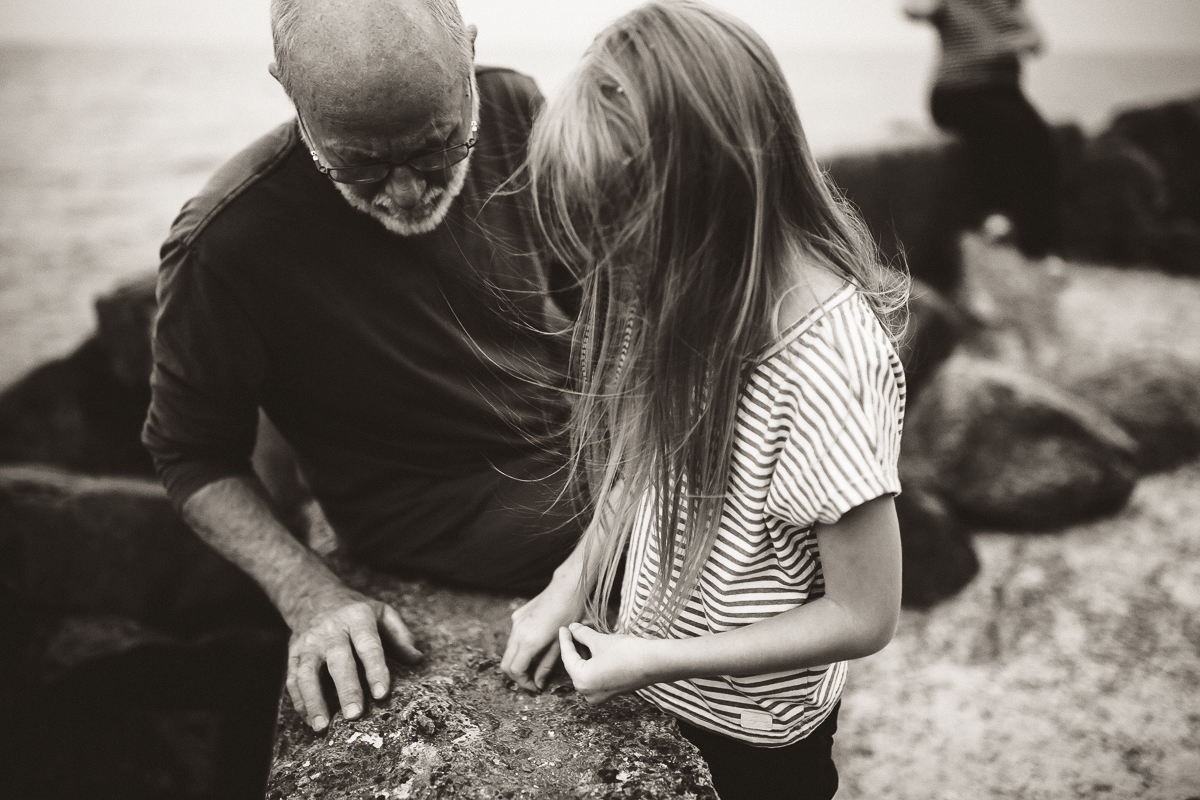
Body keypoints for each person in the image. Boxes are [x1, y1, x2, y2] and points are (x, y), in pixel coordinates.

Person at [142, 0, 583, 740]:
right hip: (444, 505)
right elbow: (190, 452)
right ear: (287, 89)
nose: (407, 191)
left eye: (439, 146)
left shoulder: (515, 104)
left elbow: (592, 287)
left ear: (469, 54)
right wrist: (308, 593)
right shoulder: (225, 242)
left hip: (578, 436)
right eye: (360, 162)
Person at [500, 3, 908, 799]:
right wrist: (570, 582)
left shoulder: (828, 364)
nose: (612, 256)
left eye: (624, 223)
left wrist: (654, 658)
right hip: (651, 687)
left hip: (759, 745)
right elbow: (641, 471)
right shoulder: (684, 295)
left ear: (708, 192)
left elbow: (866, 615)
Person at [904, 0, 1062, 259]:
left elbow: (1036, 42)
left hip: (1005, 92)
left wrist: (1004, 43)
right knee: (1006, 136)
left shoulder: (1007, 4)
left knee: (1043, 147)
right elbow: (913, 9)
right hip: (958, 92)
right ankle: (997, 220)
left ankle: (1039, 244)